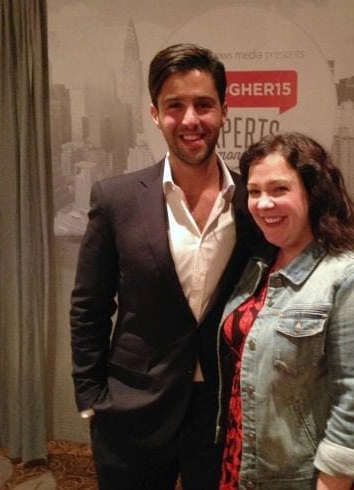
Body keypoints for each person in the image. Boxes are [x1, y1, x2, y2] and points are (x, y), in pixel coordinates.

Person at [69, 43, 262, 489]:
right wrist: (90, 397)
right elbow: (89, 306)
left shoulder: (253, 202)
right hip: (132, 408)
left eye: (203, 105)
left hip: (221, 410)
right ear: (155, 114)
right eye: (175, 105)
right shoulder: (116, 198)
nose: (190, 119)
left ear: (224, 111)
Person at [213, 132, 354, 489]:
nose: (264, 204)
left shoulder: (352, 278)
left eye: (279, 189)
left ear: (313, 193)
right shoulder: (258, 265)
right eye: (254, 191)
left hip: (309, 479)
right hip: (246, 466)